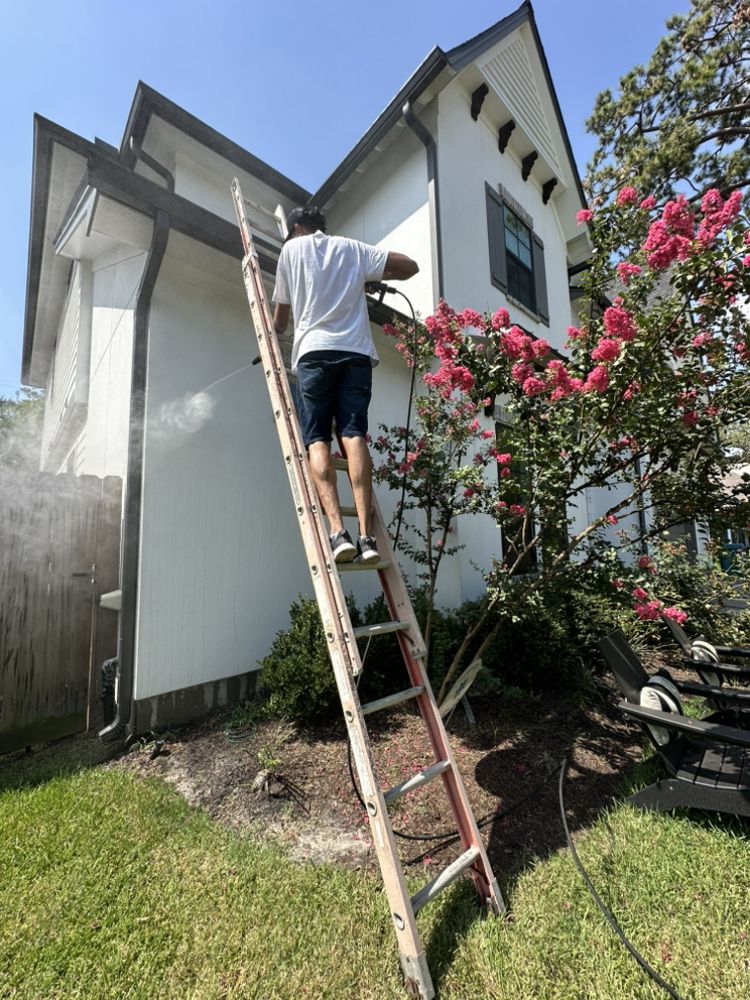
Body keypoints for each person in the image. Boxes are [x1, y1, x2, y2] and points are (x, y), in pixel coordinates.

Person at [272, 206, 418, 564]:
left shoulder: (290, 250)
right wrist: (365, 278)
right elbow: (409, 266)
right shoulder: (352, 249)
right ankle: (368, 539)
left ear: (296, 228)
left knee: (317, 439)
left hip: (313, 355)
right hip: (355, 355)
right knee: (354, 434)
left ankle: (338, 533)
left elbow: (279, 323)